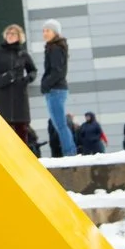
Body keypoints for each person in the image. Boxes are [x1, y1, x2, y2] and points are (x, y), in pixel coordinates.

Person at [0, 23, 37, 148]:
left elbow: (33, 70)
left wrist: (27, 79)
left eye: (14, 33)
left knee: (22, 130)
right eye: (8, 33)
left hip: (20, 96)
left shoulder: (23, 54)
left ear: (19, 37)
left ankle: (23, 158)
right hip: (2, 96)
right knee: (2, 128)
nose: (10, 36)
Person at [38, 20, 76, 157]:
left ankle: (70, 153)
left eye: (48, 30)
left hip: (56, 90)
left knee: (60, 125)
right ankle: (69, 151)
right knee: (59, 125)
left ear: (55, 32)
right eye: (43, 31)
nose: (45, 33)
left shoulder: (55, 48)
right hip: (54, 90)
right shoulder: (52, 47)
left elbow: (57, 71)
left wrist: (45, 84)